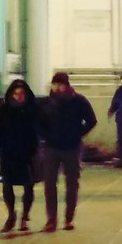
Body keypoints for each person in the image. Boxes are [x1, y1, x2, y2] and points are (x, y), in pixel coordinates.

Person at [36, 71, 97, 231]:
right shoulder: (47, 103)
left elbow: (91, 120)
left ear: (66, 85)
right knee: (49, 184)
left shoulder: (78, 101)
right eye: (55, 84)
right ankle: (51, 220)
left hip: (72, 148)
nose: (57, 87)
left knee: (72, 184)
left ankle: (68, 219)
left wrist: (77, 133)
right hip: (52, 148)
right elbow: (38, 123)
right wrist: (46, 135)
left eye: (60, 84)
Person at [0, 78, 39, 232]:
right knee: (7, 185)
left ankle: (25, 217)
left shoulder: (31, 109)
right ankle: (11, 215)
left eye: (21, 93)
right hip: (10, 152)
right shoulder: (5, 110)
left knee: (28, 185)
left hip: (27, 152)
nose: (19, 96)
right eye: (16, 94)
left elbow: (40, 126)